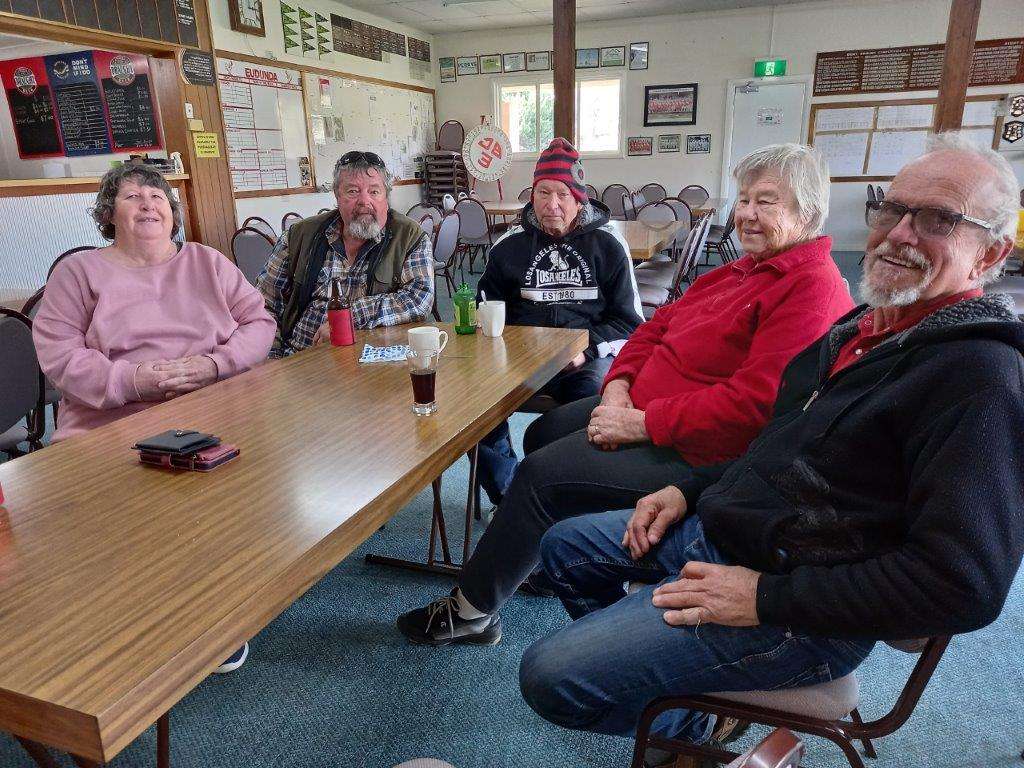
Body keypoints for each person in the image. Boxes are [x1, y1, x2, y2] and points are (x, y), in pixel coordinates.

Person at [519, 132, 1024, 752]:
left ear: (991, 253)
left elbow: (963, 585)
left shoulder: (976, 377)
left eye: (939, 219)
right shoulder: (860, 330)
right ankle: (680, 692)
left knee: (550, 677)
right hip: (737, 532)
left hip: (801, 610)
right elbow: (780, 446)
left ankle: (686, 722)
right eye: (892, 209)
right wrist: (689, 487)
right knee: (561, 549)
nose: (899, 233)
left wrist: (762, 598)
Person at [397, 143, 854, 646]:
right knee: (545, 432)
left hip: (697, 451)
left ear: (807, 212)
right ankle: (555, 548)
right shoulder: (736, 272)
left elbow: (754, 407)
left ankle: (472, 610)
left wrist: (642, 422)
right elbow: (650, 333)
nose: (745, 214)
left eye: (765, 202)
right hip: (642, 407)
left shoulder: (810, 287)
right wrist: (616, 389)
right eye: (743, 199)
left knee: (540, 476)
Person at [33, 164, 276, 672]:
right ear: (107, 214)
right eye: (132, 196)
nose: (148, 204)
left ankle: (214, 608)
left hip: (211, 406)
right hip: (112, 424)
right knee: (120, 521)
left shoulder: (207, 263)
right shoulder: (79, 273)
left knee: (252, 482)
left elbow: (259, 322)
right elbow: (58, 356)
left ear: (173, 212)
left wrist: (215, 364)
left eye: (158, 196)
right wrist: (132, 381)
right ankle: (134, 619)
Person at [473, 137, 644, 506]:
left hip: (586, 359)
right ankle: (510, 497)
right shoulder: (508, 245)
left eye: (563, 194)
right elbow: (485, 309)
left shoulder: (609, 244)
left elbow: (631, 324)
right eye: (543, 192)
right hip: (518, 360)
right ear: (532, 195)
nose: (552, 205)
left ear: (579, 198)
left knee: (593, 407)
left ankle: (567, 495)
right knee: (471, 409)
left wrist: (586, 349)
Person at [257, 151, 434, 358]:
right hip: (299, 358)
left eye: (374, 192)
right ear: (337, 196)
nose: (364, 201)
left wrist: (347, 317)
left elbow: (419, 299)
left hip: (371, 362)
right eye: (352, 191)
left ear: (386, 197)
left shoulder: (409, 237)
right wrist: (271, 360)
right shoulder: (299, 236)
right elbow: (263, 303)